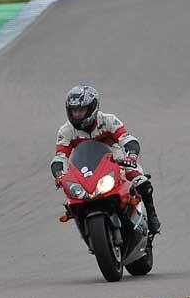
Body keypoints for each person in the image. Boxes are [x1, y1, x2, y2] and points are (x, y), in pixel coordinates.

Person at [50, 85, 161, 234]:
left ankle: (151, 214)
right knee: (72, 198)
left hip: (116, 160)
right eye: (74, 111)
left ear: (92, 108)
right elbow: (60, 157)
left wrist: (131, 156)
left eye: (81, 110)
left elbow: (127, 139)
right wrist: (59, 174)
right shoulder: (66, 130)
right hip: (86, 167)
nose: (77, 115)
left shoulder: (108, 120)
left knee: (140, 180)